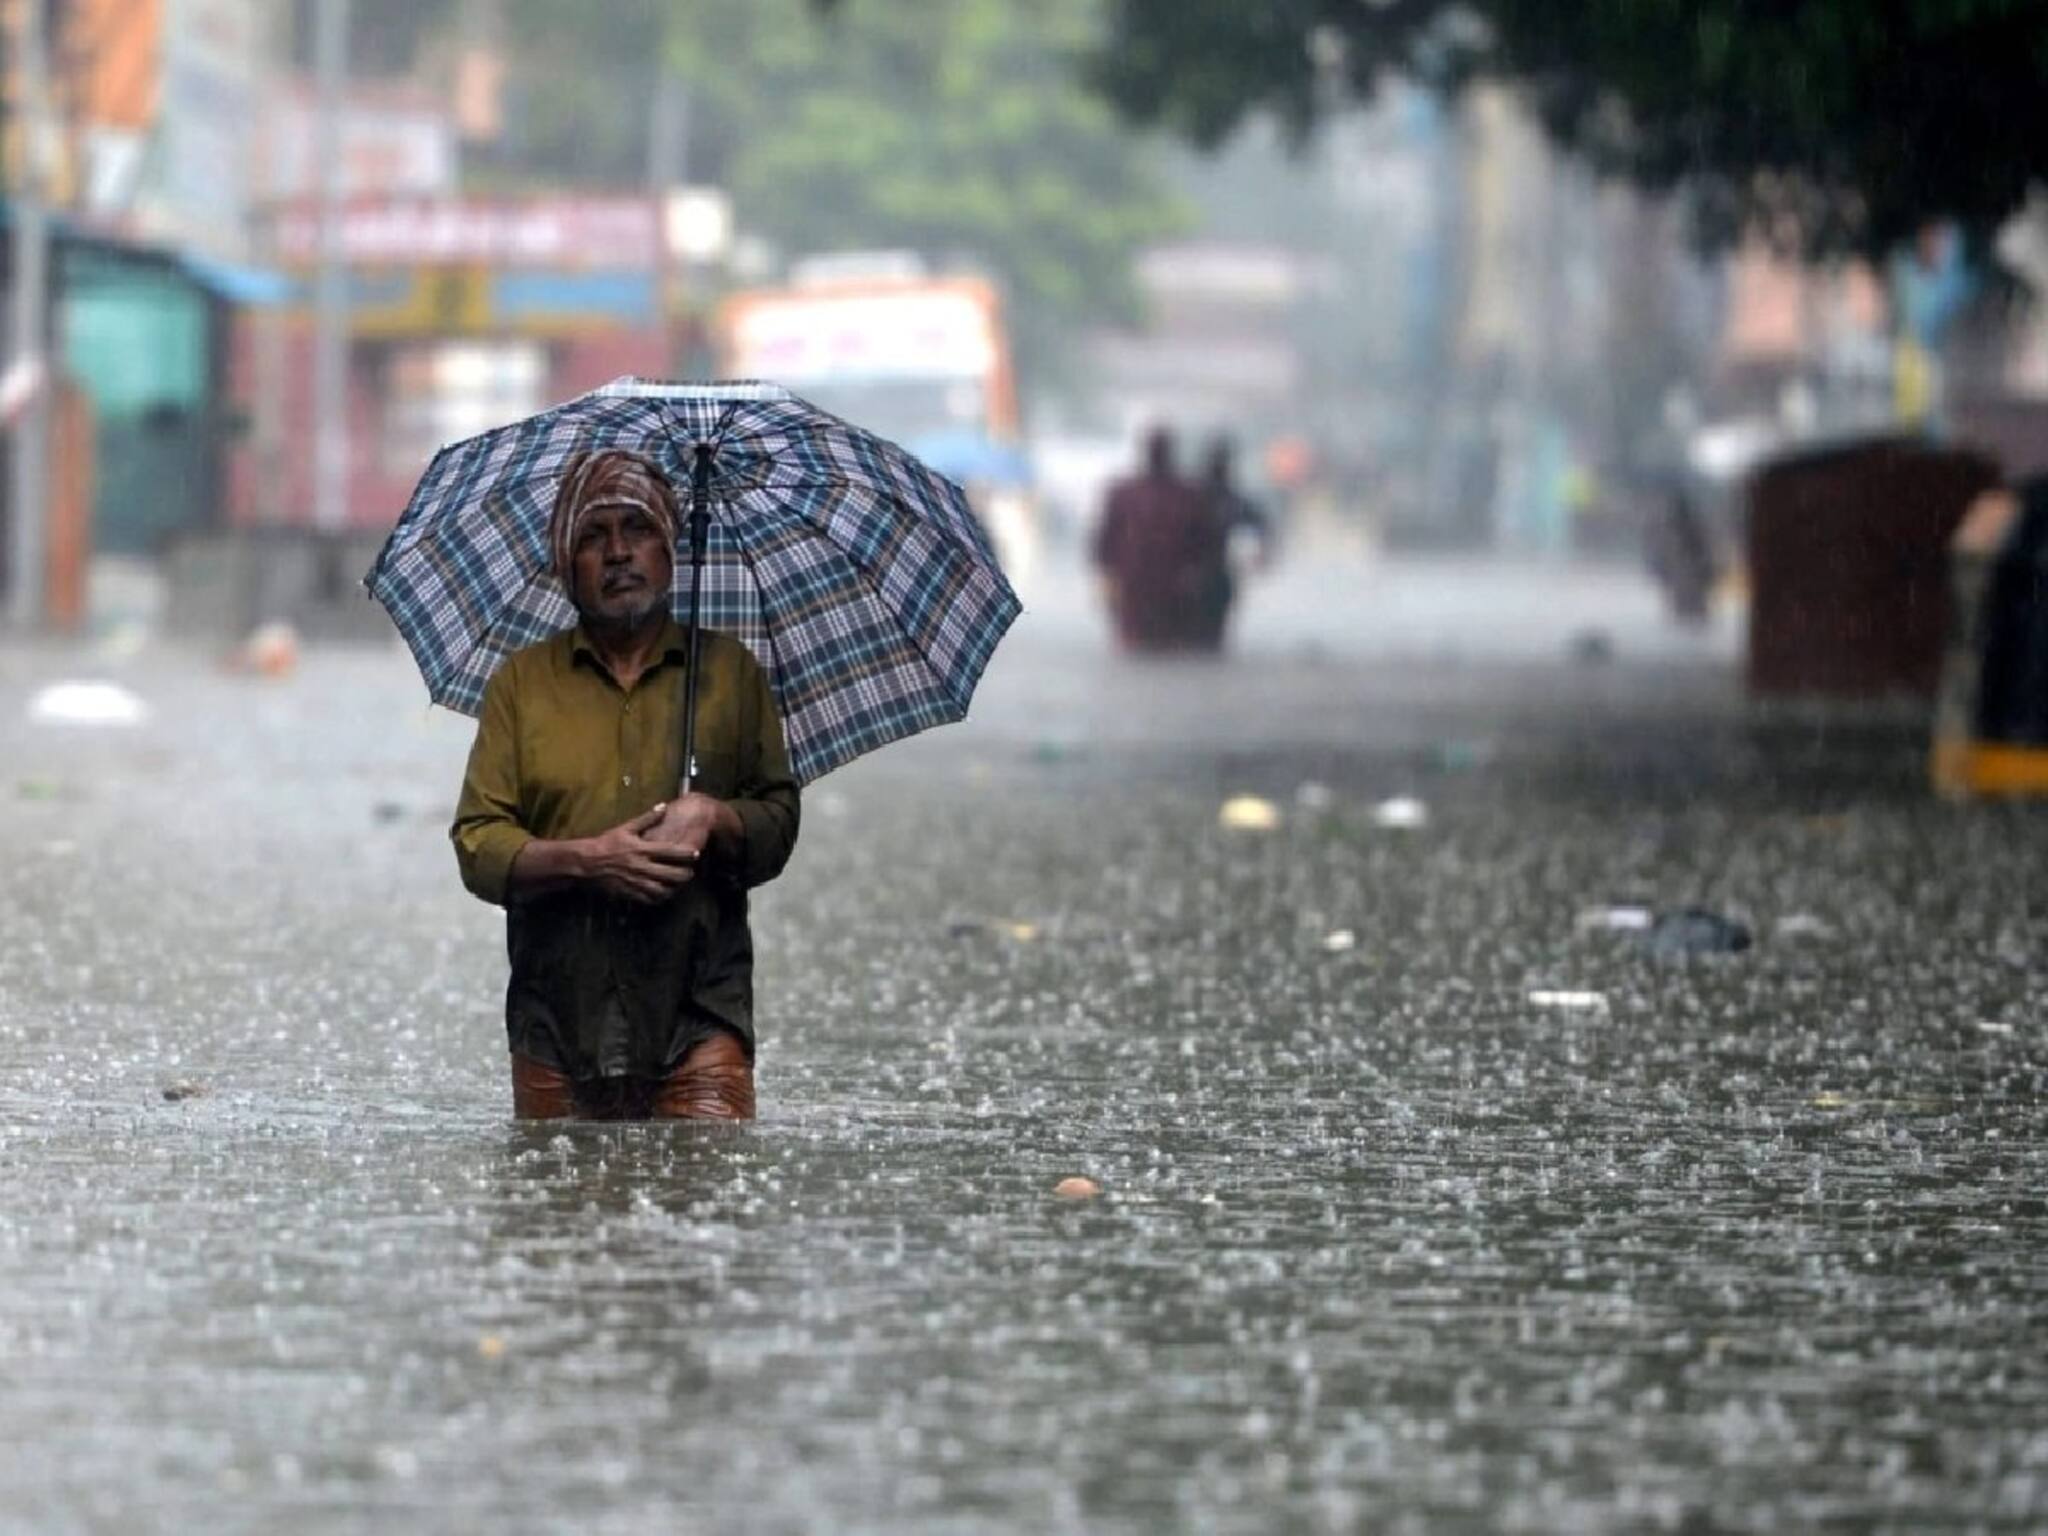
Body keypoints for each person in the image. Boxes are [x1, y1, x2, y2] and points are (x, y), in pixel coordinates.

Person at [450, 449, 801, 1121]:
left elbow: (778, 824)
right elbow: (478, 845)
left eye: (637, 530)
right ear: (565, 567)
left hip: (701, 1016)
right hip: (557, 1019)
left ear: (670, 551)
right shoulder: (521, 686)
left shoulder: (730, 676)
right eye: (593, 536)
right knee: (557, 1209)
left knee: (705, 1207)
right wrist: (589, 860)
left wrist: (713, 816)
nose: (617, 553)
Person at [1090, 427, 1213, 652]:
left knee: (1166, 644)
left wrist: (1195, 574)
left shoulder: (1186, 494)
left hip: (1170, 586)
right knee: (1139, 643)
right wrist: (1107, 577)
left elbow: (1202, 541)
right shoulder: (1126, 493)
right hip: (1136, 584)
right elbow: (1105, 538)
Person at [1192, 435, 1274, 651]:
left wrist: (1263, 554)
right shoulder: (1193, 498)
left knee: (1209, 639)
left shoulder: (1225, 499)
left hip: (1214, 576)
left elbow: (1260, 525)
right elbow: (1260, 525)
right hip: (1200, 575)